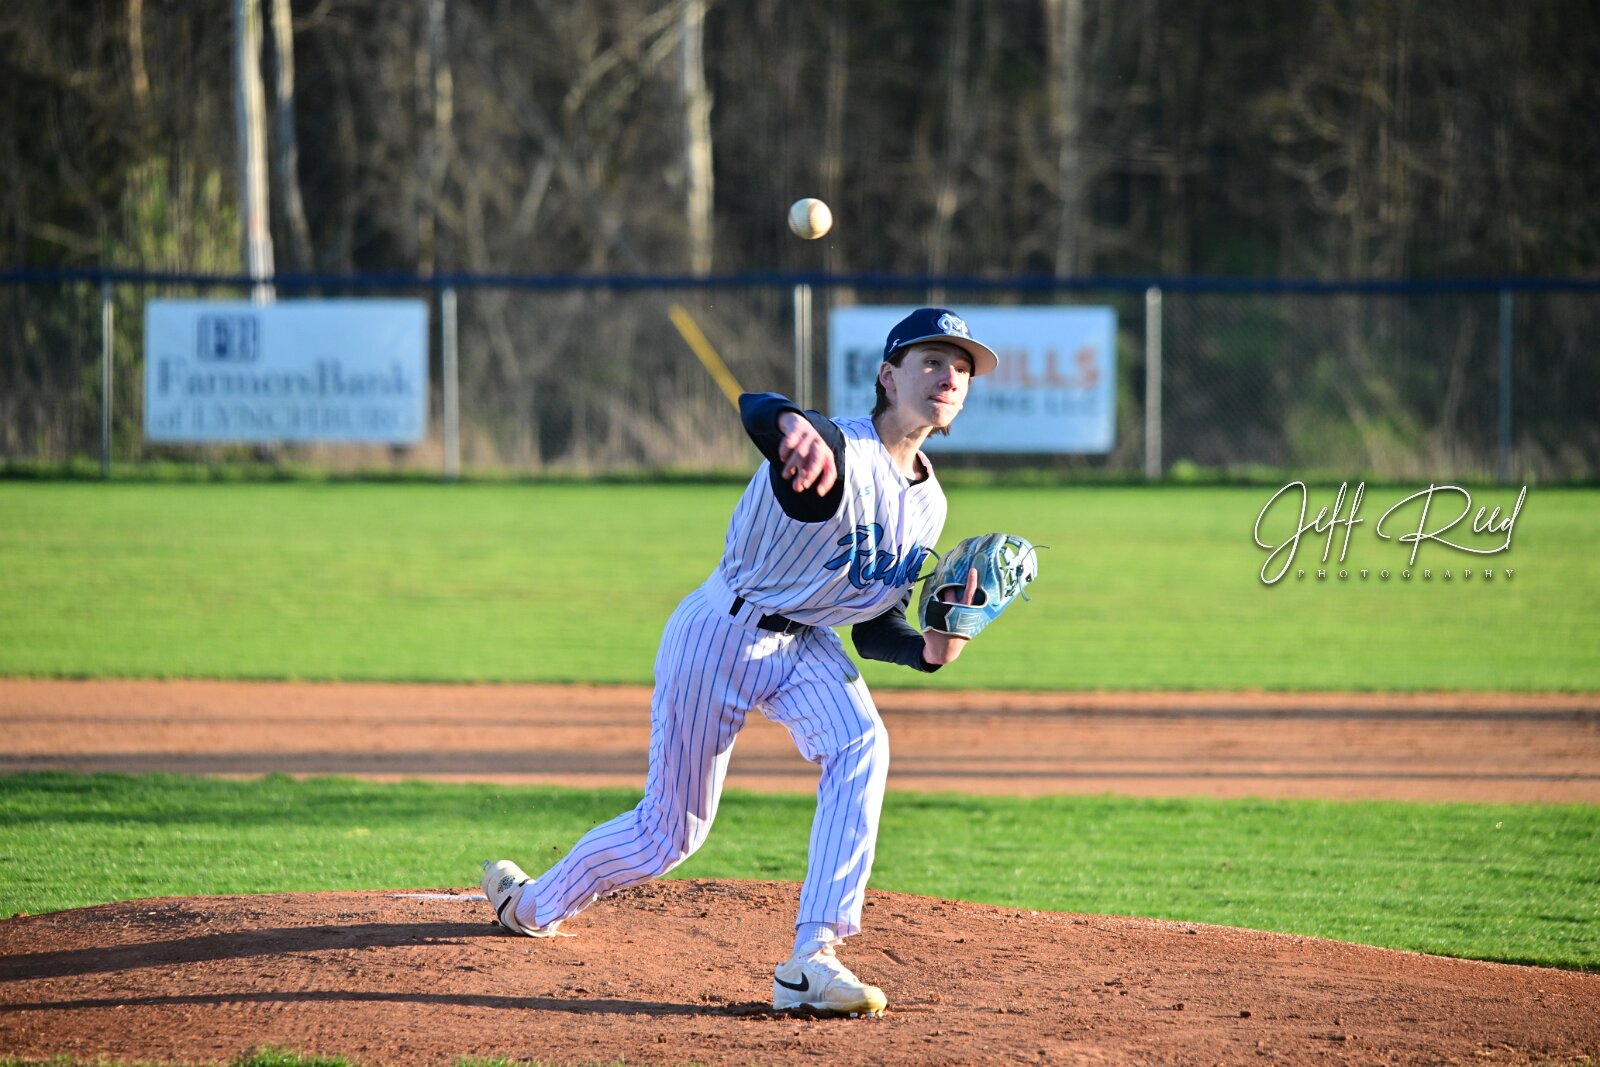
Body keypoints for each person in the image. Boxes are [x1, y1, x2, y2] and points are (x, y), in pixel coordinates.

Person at [482, 307, 999, 1017]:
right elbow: (759, 407)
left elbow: (874, 623)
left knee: (863, 744)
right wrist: (788, 425)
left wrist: (930, 650)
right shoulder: (834, 450)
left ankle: (813, 956)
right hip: (721, 634)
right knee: (669, 835)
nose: (949, 376)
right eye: (932, 361)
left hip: (805, 643)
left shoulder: (930, 503)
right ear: (888, 376)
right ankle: (529, 905)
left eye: (961, 368)